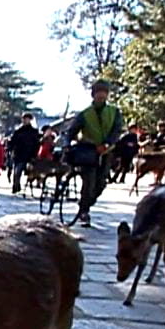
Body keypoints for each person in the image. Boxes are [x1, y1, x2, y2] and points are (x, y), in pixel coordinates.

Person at [61, 79, 124, 227]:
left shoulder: (114, 112)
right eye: (98, 92)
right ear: (93, 95)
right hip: (88, 152)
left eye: (104, 92)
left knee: (101, 184)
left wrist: (108, 143)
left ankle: (86, 203)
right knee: (89, 182)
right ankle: (84, 211)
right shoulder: (85, 114)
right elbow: (71, 131)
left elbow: (117, 130)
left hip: (106, 152)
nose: (101, 95)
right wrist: (67, 144)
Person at [9, 112, 41, 195]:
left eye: (27, 119)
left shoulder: (34, 131)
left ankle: (31, 187)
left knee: (32, 174)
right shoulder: (18, 131)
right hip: (19, 155)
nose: (25, 120)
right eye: (24, 119)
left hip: (30, 156)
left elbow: (37, 144)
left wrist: (34, 155)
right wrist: (11, 149)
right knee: (16, 173)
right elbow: (12, 142)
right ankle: (16, 187)